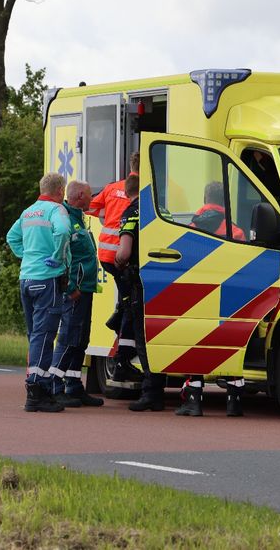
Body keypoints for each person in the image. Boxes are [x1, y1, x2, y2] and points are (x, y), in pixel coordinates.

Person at [177, 180, 246, 417]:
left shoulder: (190, 228)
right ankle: (234, 402)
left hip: (198, 296)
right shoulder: (236, 230)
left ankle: (194, 401)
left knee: (195, 346)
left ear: (205, 199)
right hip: (227, 297)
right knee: (230, 346)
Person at [6, 172, 71, 413]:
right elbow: (63, 232)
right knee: (44, 335)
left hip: (27, 278)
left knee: (35, 334)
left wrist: (27, 256)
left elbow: (11, 237)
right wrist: (57, 257)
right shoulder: (56, 210)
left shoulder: (29, 211)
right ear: (60, 190)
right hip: (47, 279)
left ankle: (37, 387)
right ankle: (36, 390)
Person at [87, 152, 143, 381]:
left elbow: (90, 208)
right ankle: (124, 355)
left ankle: (119, 316)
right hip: (124, 257)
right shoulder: (147, 189)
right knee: (132, 304)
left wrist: (108, 213)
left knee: (126, 299)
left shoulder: (112, 188)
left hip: (106, 256)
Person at [48, 180, 104, 407]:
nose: (92, 199)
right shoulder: (66, 220)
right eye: (90, 195)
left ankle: (73, 385)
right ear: (80, 195)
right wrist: (71, 288)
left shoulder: (79, 218)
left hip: (85, 290)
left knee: (81, 339)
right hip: (75, 292)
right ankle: (54, 384)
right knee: (69, 338)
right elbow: (64, 257)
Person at [115, 174, 167, 412]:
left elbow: (124, 252)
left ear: (128, 192)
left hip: (140, 281)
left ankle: (151, 392)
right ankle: (159, 386)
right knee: (161, 335)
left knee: (144, 337)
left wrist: (118, 262)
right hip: (165, 279)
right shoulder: (161, 209)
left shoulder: (131, 212)